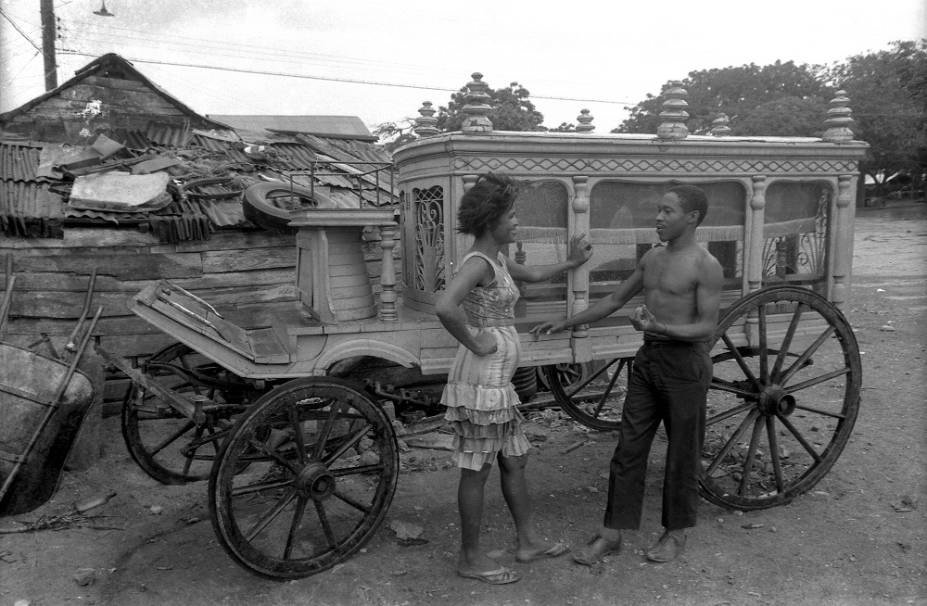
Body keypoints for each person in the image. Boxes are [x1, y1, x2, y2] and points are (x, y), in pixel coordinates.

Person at [530, 184, 723, 565]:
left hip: (685, 365)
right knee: (628, 449)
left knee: (682, 453)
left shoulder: (706, 265)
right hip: (648, 361)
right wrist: (567, 321)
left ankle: (676, 532)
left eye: (668, 211)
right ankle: (612, 531)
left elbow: (706, 328)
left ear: (692, 218)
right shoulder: (652, 258)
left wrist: (662, 328)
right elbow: (615, 300)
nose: (658, 218)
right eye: (658, 210)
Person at [435, 172, 592, 585]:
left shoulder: (498, 260)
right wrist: (475, 341)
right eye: (511, 215)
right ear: (491, 220)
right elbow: (445, 306)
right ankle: (470, 557)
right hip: (483, 381)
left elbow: (535, 277)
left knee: (514, 460)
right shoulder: (476, 264)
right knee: (476, 469)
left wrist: (573, 262)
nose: (517, 222)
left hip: (498, 383)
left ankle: (527, 541)